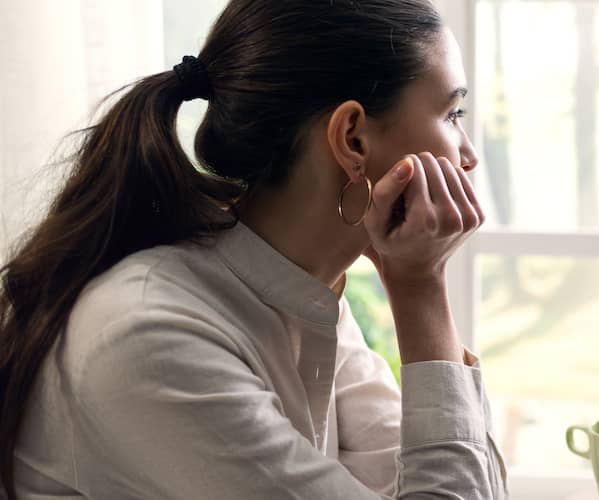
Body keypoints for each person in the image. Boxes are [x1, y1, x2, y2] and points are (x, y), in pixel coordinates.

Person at [0, 0, 507, 498]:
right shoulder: (150, 333)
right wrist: (420, 288)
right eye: (452, 113)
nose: (468, 154)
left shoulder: (302, 292)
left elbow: (449, 483)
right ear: (352, 139)